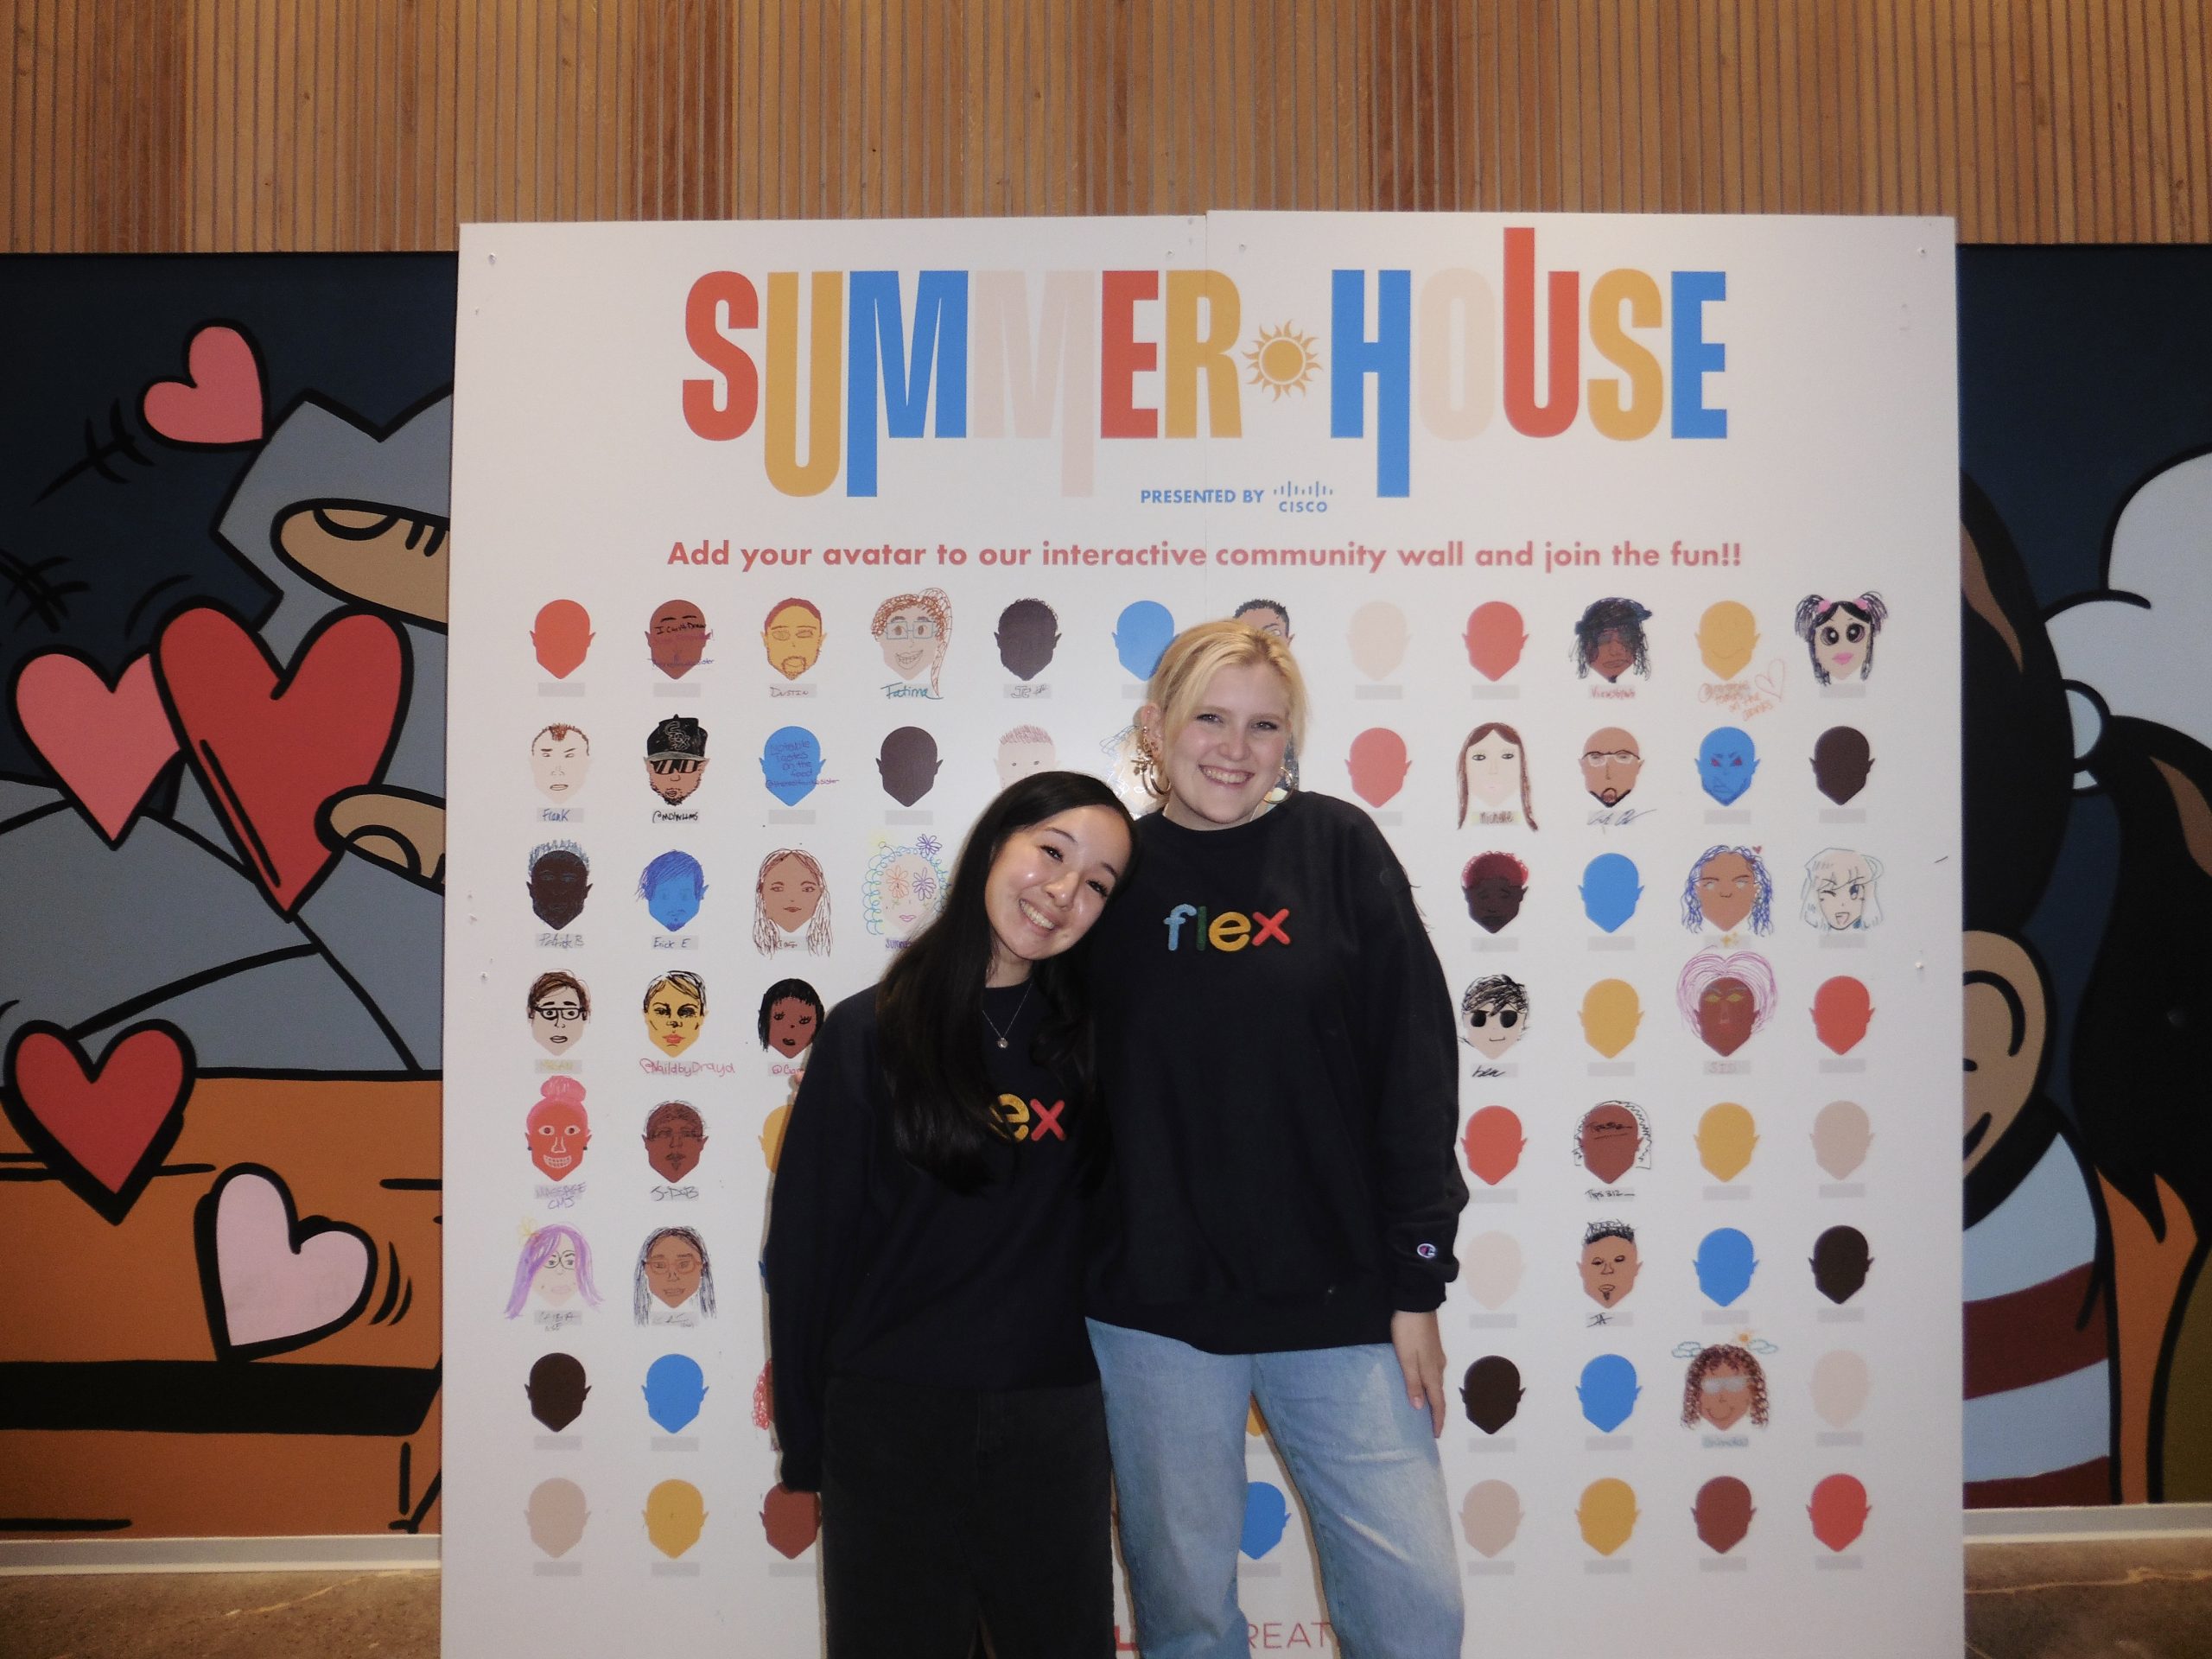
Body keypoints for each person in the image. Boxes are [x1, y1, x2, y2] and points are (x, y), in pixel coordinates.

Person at [1086, 620, 1467, 1659]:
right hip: (1153, 1310)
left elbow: (1416, 1069)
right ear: (1154, 728)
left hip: (1340, 1301)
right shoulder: (1107, 873)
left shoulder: (1335, 847)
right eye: (1209, 717)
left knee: (1416, 1616)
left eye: (1264, 725)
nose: (1234, 746)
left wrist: (1417, 1281)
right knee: (1189, 1622)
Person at [764, 770, 1136, 1659]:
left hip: (1053, 1421)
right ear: (993, 847)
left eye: (1097, 884)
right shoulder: (869, 1032)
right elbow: (808, 1250)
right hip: (891, 1422)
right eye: (1051, 851)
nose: (1063, 892)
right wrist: (806, 1446)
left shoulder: (1101, 1043)